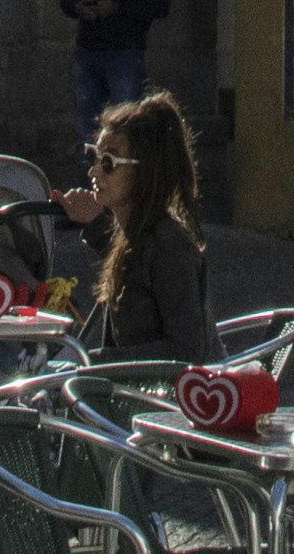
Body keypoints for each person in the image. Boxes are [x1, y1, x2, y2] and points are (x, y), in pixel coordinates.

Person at [58, 86, 219, 359]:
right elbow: (133, 265)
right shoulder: (134, 235)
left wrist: (96, 362)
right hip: (137, 389)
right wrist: (94, 222)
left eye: (108, 162)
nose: (93, 170)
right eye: (93, 157)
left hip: (166, 397)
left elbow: (187, 351)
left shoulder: (170, 247)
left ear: (145, 169)